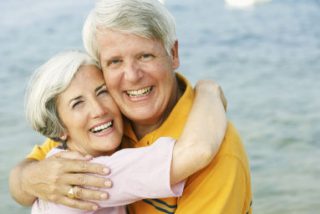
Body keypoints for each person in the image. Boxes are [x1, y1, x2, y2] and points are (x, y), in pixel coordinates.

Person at [10, 0, 252, 213]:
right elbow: (22, 180)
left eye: (145, 56)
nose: (133, 76)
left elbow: (200, 150)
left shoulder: (218, 147)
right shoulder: (101, 131)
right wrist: (30, 178)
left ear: (173, 54)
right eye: (115, 62)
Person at [24, 50, 226, 213]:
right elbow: (198, 150)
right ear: (59, 128)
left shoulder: (57, 159)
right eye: (78, 104)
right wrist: (208, 90)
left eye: (102, 92)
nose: (99, 110)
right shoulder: (88, 173)